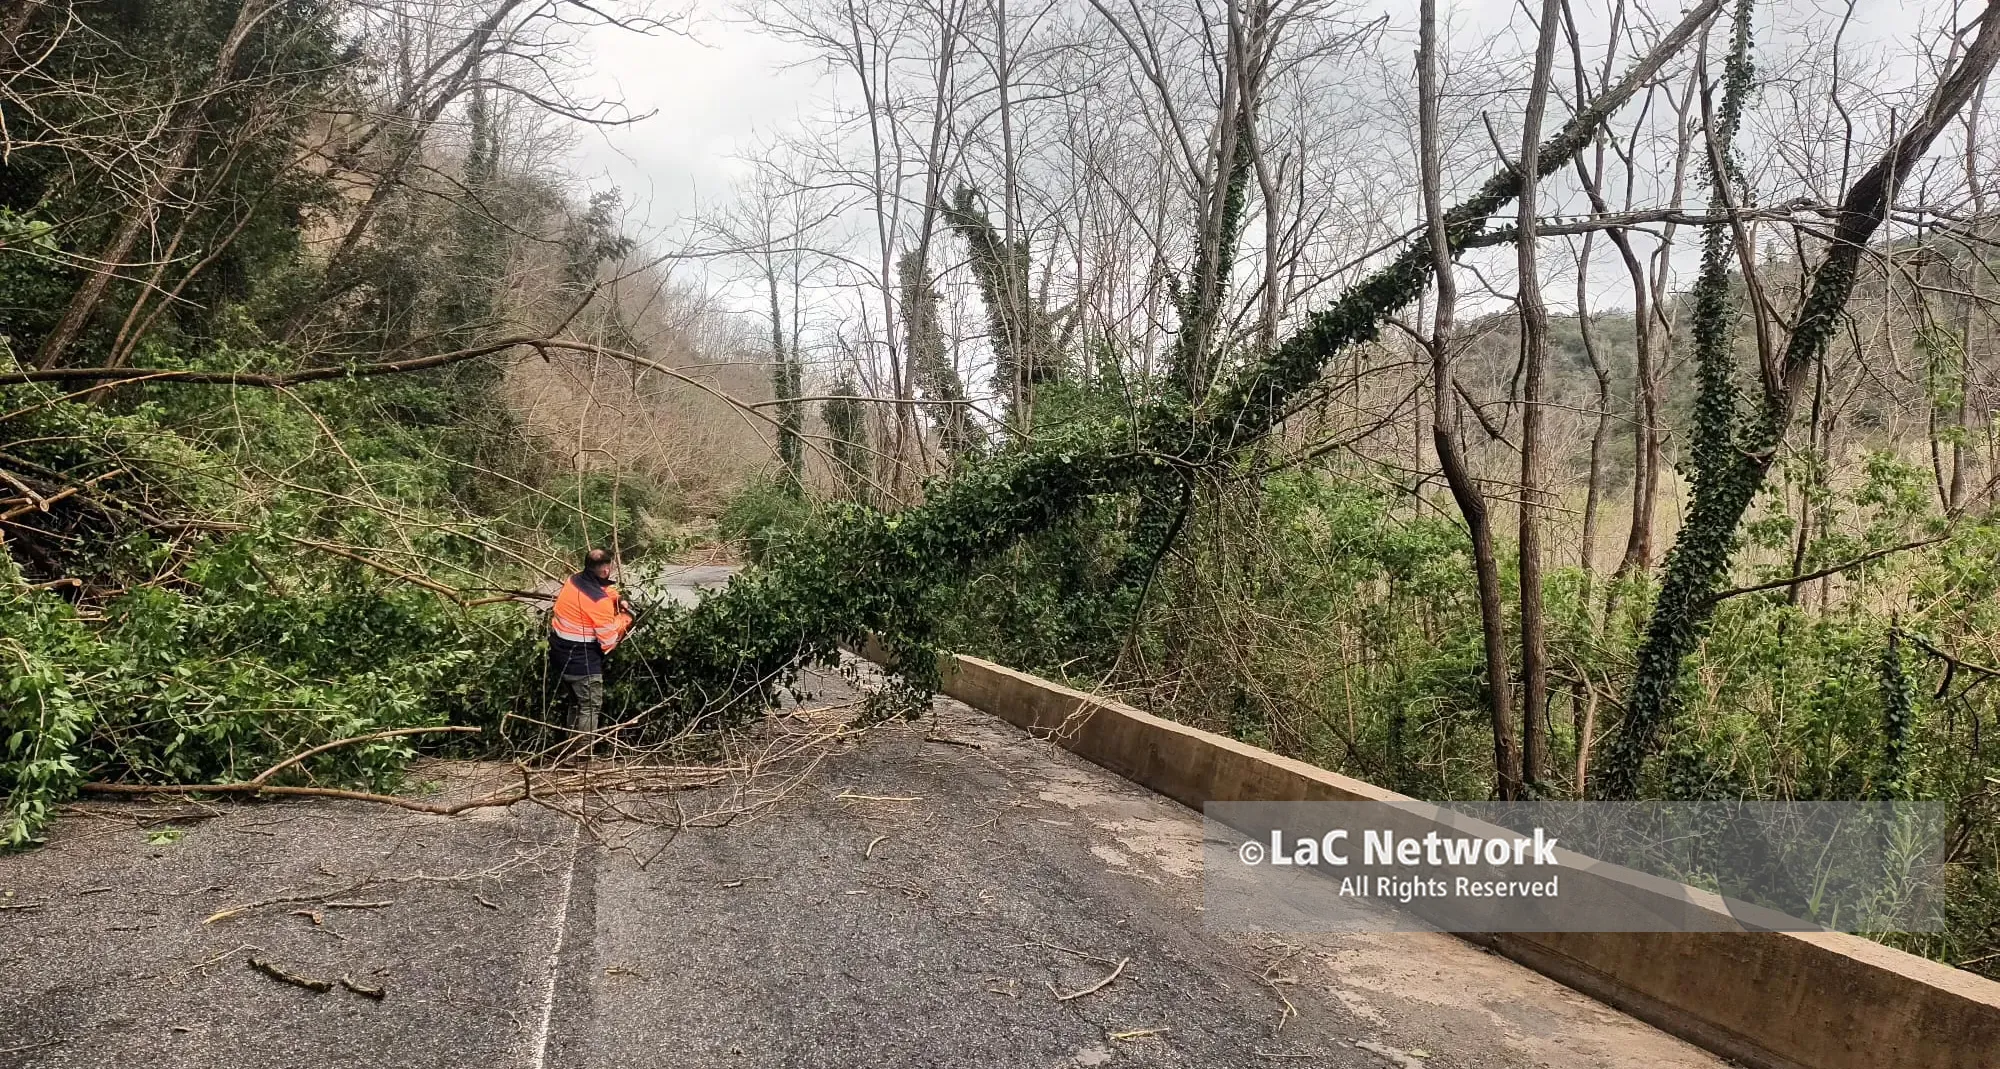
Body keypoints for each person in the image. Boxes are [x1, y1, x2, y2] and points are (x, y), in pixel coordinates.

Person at [549, 548, 634, 744]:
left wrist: (618, 598)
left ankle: (568, 749)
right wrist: (625, 619)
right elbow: (608, 641)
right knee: (589, 707)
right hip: (582, 661)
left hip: (560, 655)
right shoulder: (599, 602)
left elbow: (602, 590)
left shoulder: (573, 580)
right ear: (606, 570)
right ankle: (582, 756)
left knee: (575, 705)